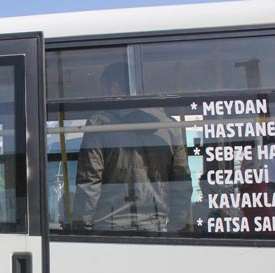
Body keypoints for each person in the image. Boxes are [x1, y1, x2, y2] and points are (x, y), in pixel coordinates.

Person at [71, 62, 192, 233]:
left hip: (109, 227)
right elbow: (181, 182)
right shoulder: (171, 127)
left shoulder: (98, 125)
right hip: (156, 227)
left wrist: (82, 226)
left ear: (115, 88)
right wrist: (177, 226)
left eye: (104, 90)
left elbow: (90, 182)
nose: (102, 97)